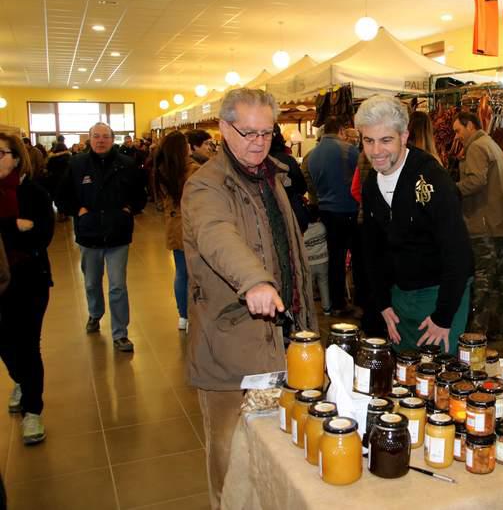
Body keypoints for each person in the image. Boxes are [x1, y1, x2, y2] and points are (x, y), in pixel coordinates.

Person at [182, 88, 316, 509]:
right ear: (223, 128)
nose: (258, 142)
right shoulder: (205, 186)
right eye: (247, 133)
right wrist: (255, 281)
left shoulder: (270, 175)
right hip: (230, 338)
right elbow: (216, 234)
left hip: (283, 335)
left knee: (279, 441)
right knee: (229, 446)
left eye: (266, 132)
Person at [358, 95, 473, 355]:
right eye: (368, 140)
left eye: (386, 140)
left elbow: (458, 252)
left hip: (442, 294)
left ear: (404, 136)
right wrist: (382, 304)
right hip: (401, 296)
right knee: (405, 378)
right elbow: (372, 250)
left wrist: (444, 317)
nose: (376, 151)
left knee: (441, 377)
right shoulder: (371, 185)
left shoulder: (433, 178)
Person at [55, 123, 146, 352]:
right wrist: (78, 211)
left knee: (117, 286)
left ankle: (120, 333)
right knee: (91, 283)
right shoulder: (77, 164)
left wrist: (129, 210)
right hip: (89, 234)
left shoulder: (126, 164)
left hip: (118, 234)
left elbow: (140, 195)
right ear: (90, 139)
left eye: (106, 136)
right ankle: (95, 314)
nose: (101, 140)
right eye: (96, 136)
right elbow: (62, 195)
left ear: (112, 139)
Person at [0, 133, 54, 445]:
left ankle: (33, 410)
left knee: (28, 342)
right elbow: (20, 232)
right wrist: (11, 226)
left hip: (29, 278)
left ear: (17, 158)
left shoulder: (33, 193)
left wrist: (14, 230)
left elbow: (40, 236)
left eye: (1, 153)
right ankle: (21, 379)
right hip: (0, 281)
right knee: (4, 343)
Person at [453, 111, 503, 341]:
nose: (457, 136)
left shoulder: (477, 147)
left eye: (458, 130)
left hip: (483, 223)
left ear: (470, 125)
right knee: (498, 279)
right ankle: (494, 328)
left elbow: (476, 181)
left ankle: (476, 332)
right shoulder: (492, 145)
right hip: (500, 223)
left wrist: (451, 189)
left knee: (483, 278)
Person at [303, 116, 360, 316]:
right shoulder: (348, 150)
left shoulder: (312, 155)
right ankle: (359, 300)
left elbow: (308, 181)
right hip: (348, 209)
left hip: (326, 210)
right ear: (342, 132)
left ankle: (337, 302)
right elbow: (361, 176)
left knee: (335, 258)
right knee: (358, 257)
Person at [154, 131, 200, 331]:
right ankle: (196, 314)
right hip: (193, 227)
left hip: (174, 226)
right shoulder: (194, 170)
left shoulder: (161, 170)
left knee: (181, 273)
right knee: (197, 274)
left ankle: (183, 315)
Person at [303, 205, 331, 315]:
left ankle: (309, 309)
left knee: (308, 287)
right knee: (323, 284)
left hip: (309, 263)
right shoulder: (322, 227)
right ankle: (327, 308)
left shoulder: (304, 231)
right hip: (323, 261)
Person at [45, 142, 71, 221]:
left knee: (57, 197)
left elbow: (48, 168)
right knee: (66, 197)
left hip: (54, 180)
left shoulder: (52, 158)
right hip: (67, 180)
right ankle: (66, 213)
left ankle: (60, 213)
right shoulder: (69, 157)